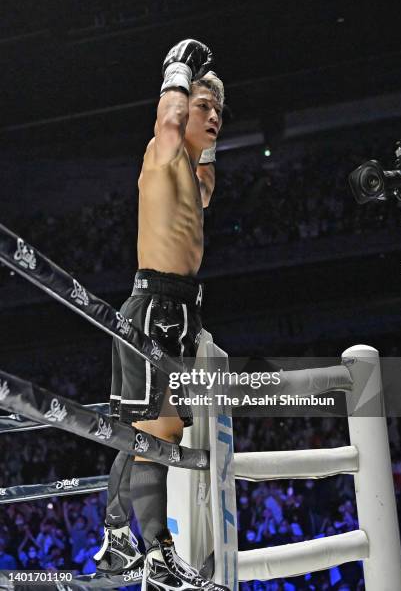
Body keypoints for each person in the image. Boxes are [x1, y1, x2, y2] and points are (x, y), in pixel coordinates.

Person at [94, 39, 228, 591]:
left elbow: (209, 185)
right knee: (151, 436)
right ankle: (148, 548)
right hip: (152, 309)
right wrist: (179, 70)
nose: (215, 116)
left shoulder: (194, 175)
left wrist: (209, 98)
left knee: (151, 433)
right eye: (205, 107)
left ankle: (125, 537)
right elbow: (171, 121)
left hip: (176, 312)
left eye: (220, 111)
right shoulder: (164, 151)